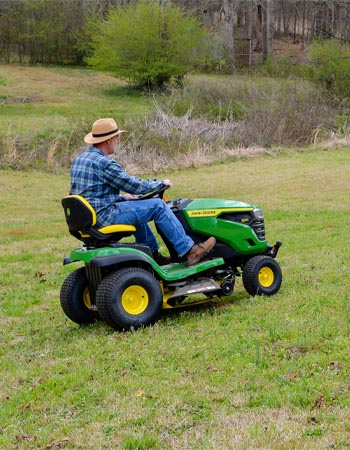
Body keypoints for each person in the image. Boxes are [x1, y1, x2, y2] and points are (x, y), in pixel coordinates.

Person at [69, 118, 215, 266]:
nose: (117, 141)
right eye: (117, 138)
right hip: (104, 217)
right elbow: (134, 186)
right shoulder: (104, 163)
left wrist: (123, 198)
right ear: (109, 140)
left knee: (135, 209)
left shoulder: (80, 160)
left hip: (88, 217)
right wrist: (161, 183)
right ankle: (189, 250)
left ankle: (152, 254)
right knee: (158, 206)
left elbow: (91, 195)